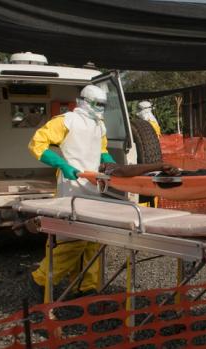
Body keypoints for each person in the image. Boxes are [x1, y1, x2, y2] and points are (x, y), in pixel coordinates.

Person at [27, 85, 177, 302]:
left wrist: (113, 167)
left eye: (103, 105)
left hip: (93, 185)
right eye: (98, 104)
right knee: (70, 241)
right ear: (85, 101)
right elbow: (37, 145)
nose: (100, 109)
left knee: (93, 239)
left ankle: (86, 286)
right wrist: (63, 164)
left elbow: (102, 151)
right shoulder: (66, 121)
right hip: (71, 186)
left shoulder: (100, 126)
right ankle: (40, 279)